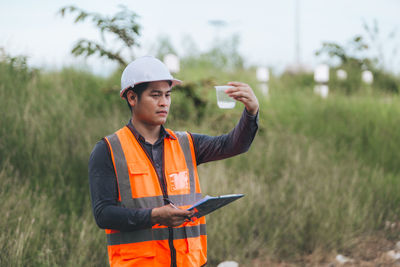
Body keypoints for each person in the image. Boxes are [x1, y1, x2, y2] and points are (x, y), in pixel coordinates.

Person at [88, 56, 259, 267]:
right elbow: (104, 214)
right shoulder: (108, 150)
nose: (164, 102)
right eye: (155, 95)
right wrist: (154, 216)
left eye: (168, 95)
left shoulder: (186, 143)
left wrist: (251, 113)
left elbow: (233, 145)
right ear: (132, 98)